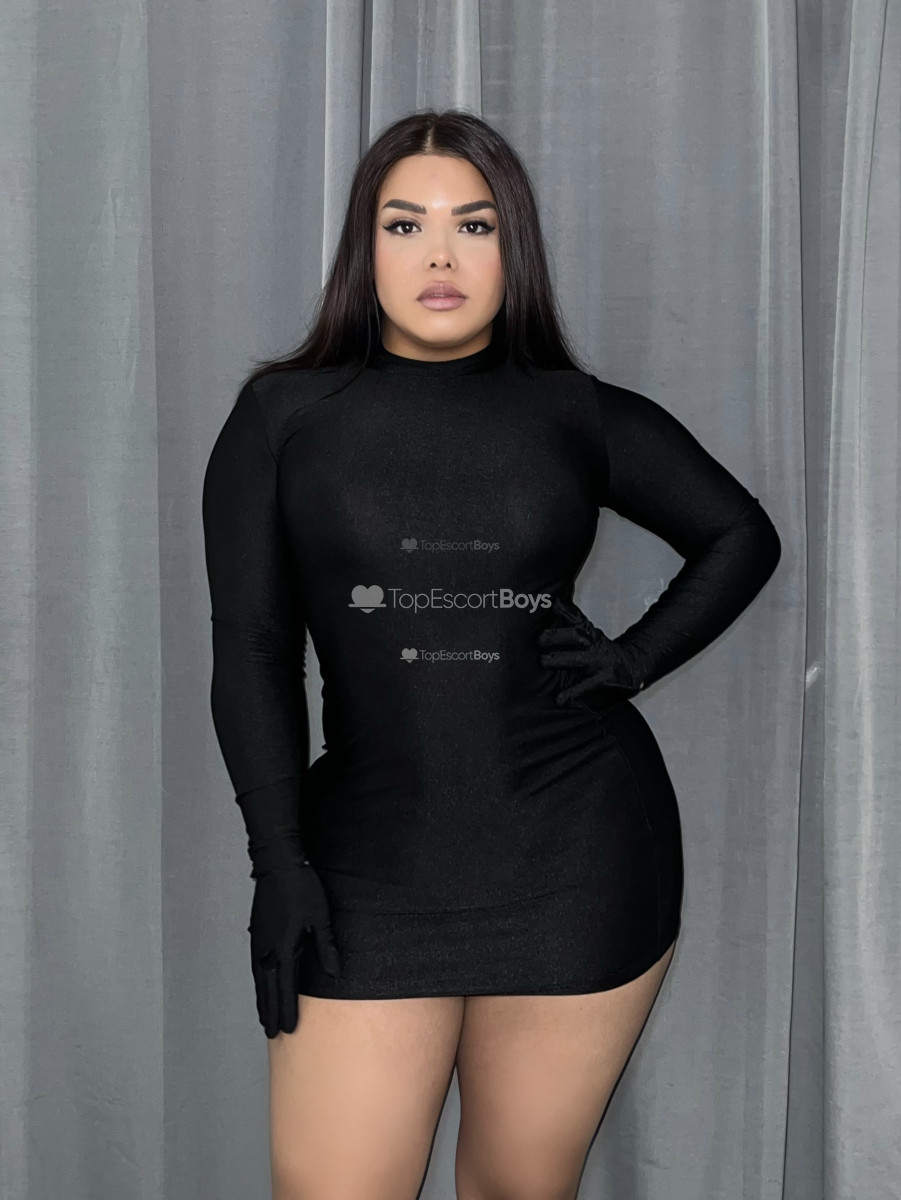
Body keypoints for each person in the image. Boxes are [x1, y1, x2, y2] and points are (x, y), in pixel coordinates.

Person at [201, 109, 782, 1200]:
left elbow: (739, 534)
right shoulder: (282, 416)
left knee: (519, 1188)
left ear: (513, 246)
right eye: (404, 224)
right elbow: (255, 650)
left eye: (474, 225)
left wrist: (633, 660)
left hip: (577, 853)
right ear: (363, 246)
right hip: (366, 863)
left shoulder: (572, 412)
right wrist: (277, 867)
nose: (440, 255)